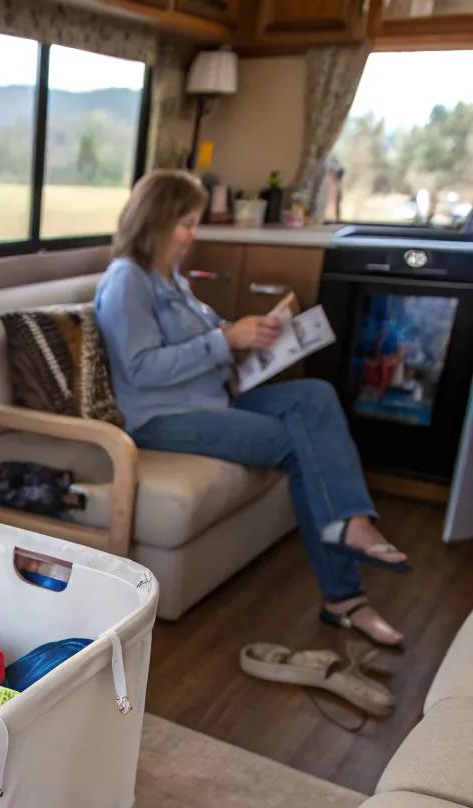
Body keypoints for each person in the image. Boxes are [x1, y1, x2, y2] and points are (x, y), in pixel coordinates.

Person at [94, 169, 410, 647]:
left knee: (316, 395)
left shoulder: (171, 279)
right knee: (296, 443)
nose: (191, 234)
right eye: (184, 223)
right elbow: (140, 369)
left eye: (194, 222)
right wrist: (224, 339)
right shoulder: (127, 281)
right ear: (154, 221)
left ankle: (348, 521)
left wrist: (251, 336)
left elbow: (205, 338)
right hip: (160, 418)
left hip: (214, 394)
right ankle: (345, 595)